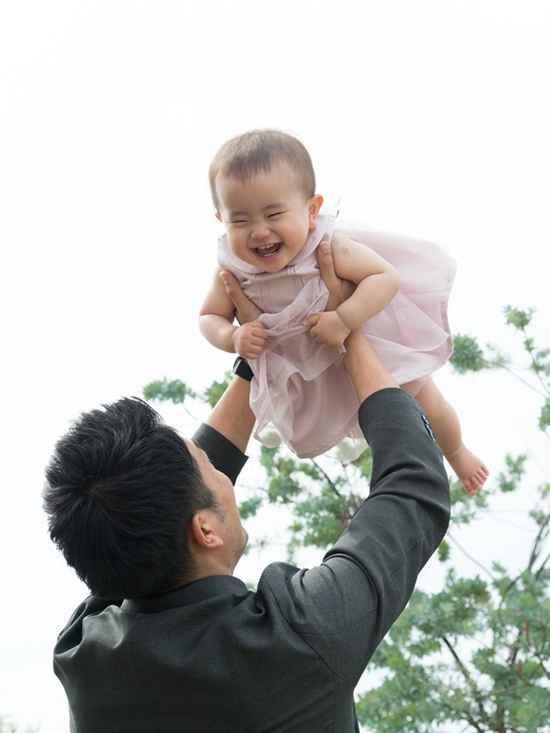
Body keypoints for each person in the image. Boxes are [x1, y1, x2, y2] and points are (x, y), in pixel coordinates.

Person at [44, 246, 451, 733]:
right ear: (205, 530)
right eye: (211, 469)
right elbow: (412, 488)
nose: (222, 472)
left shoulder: (85, 659)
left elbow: (134, 524)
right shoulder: (301, 635)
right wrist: (352, 331)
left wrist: (262, 361)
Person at [199, 128, 488, 494]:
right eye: (240, 221)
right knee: (356, 423)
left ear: (311, 210)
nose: (258, 232)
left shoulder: (326, 245)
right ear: (221, 221)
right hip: (304, 368)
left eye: (273, 214)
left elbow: (384, 277)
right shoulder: (232, 267)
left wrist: (344, 319)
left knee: (427, 401)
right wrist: (233, 336)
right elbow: (209, 317)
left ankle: (457, 451)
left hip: (366, 345)